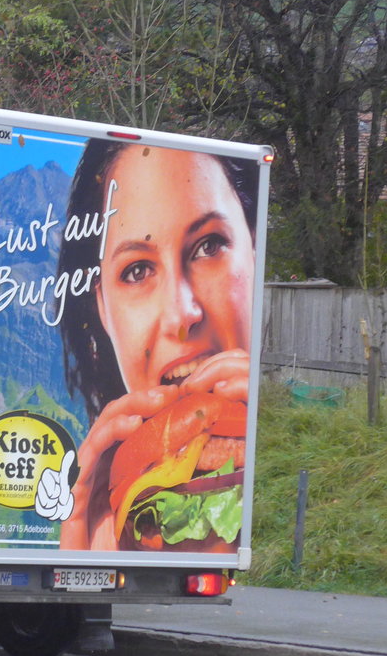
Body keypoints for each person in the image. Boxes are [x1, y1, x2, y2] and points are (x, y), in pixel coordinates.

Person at [35, 139, 259, 549]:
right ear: (103, 311)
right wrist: (81, 538)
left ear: (255, 250)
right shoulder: (106, 513)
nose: (181, 314)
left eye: (209, 246)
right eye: (137, 271)